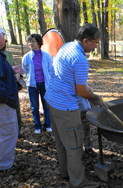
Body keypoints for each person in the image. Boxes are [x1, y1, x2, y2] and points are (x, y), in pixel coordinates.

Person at [44, 23, 107, 188]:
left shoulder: (66, 47)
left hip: (52, 101)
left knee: (61, 143)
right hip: (65, 107)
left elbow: (76, 82)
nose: (95, 46)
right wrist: (96, 98)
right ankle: (78, 182)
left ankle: (65, 174)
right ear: (85, 41)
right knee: (74, 147)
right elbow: (81, 91)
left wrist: (89, 91)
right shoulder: (80, 59)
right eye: (94, 43)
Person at [0, 26, 21, 172]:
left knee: (3, 132)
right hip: (4, 104)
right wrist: (4, 97)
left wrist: (12, 71)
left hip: (3, 102)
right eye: (4, 37)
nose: (5, 39)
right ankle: (4, 166)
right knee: (7, 133)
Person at [22, 34, 53, 134]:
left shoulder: (46, 56)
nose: (31, 43)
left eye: (33, 41)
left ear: (39, 43)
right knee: (34, 107)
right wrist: (30, 78)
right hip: (32, 85)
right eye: (29, 41)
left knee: (46, 105)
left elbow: (50, 69)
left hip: (44, 84)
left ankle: (48, 124)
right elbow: (25, 69)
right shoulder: (26, 57)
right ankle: (37, 126)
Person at [1, 39, 24, 134]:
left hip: (12, 87)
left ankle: (17, 132)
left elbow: (14, 67)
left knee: (16, 110)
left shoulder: (8, 54)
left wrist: (17, 73)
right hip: (2, 90)